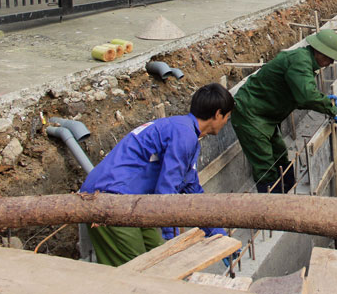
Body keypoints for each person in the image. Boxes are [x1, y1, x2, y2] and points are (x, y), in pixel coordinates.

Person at [80, 83, 234, 267]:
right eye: (227, 117)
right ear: (218, 114)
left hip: (136, 200)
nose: (226, 123)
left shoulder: (184, 133)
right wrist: (172, 241)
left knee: (159, 259)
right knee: (137, 268)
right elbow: (166, 192)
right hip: (108, 199)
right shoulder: (184, 135)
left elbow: (192, 190)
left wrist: (219, 236)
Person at [231, 29, 337, 193]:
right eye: (329, 58)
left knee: (279, 155)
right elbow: (306, 96)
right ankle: (273, 207)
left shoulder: (304, 60)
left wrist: (323, 100)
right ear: (320, 52)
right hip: (251, 113)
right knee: (265, 165)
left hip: (266, 114)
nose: (330, 63)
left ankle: (287, 192)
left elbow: (298, 95)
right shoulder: (300, 62)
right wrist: (331, 109)